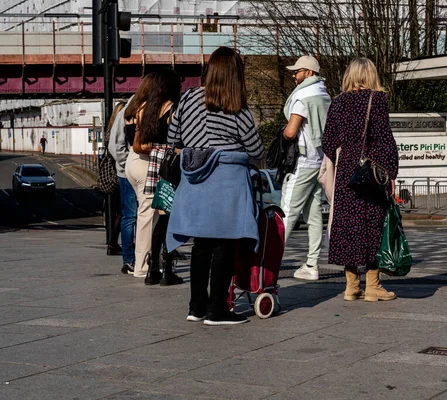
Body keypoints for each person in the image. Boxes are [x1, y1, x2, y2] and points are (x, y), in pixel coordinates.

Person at [167, 46, 265, 326]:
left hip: (194, 180)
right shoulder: (237, 106)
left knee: (201, 245)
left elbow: (174, 136)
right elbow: (255, 148)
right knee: (225, 244)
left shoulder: (188, 99)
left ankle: (196, 306)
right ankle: (217, 309)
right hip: (227, 184)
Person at [321, 58, 399, 302]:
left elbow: (328, 142)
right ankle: (373, 285)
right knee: (372, 226)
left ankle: (351, 285)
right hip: (371, 172)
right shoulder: (378, 101)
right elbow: (385, 140)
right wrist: (391, 174)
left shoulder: (338, 103)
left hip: (347, 172)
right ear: (371, 76)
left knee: (347, 227)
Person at [124, 70, 182, 279]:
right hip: (150, 163)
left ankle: (147, 262)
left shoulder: (135, 107)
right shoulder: (167, 108)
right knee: (151, 215)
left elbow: (132, 139)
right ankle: (145, 265)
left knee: (145, 213)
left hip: (133, 161)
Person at [282, 55, 331, 281]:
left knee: (286, 213)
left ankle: (267, 262)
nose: (294, 75)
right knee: (313, 216)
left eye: (298, 71)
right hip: (320, 159)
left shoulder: (302, 95)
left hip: (303, 160)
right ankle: (312, 264)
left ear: (308, 72)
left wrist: (282, 133)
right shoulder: (324, 93)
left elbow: (292, 131)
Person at [109, 98, 138, 275]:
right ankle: (129, 259)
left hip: (134, 170)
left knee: (138, 215)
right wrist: (128, 165)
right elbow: (115, 146)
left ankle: (138, 258)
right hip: (126, 173)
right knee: (131, 214)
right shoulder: (126, 112)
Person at [104, 102, 127, 256]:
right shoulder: (117, 132)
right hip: (119, 174)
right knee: (123, 212)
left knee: (119, 212)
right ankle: (113, 243)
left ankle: (113, 242)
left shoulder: (108, 132)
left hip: (113, 175)